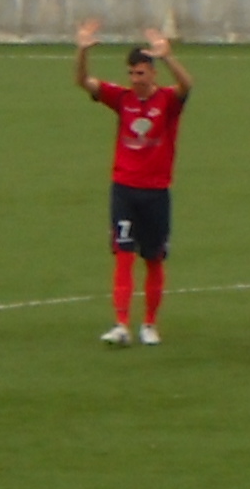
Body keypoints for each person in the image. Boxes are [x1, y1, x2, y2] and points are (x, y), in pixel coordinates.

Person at [76, 19, 191, 346]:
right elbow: (83, 81)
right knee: (123, 254)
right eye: (132, 74)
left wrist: (168, 56)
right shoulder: (122, 98)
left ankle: (150, 324)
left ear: (153, 73)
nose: (136, 80)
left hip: (156, 191)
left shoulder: (167, 100)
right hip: (124, 189)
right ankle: (122, 324)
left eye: (141, 73)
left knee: (153, 258)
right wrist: (82, 51)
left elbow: (187, 85)